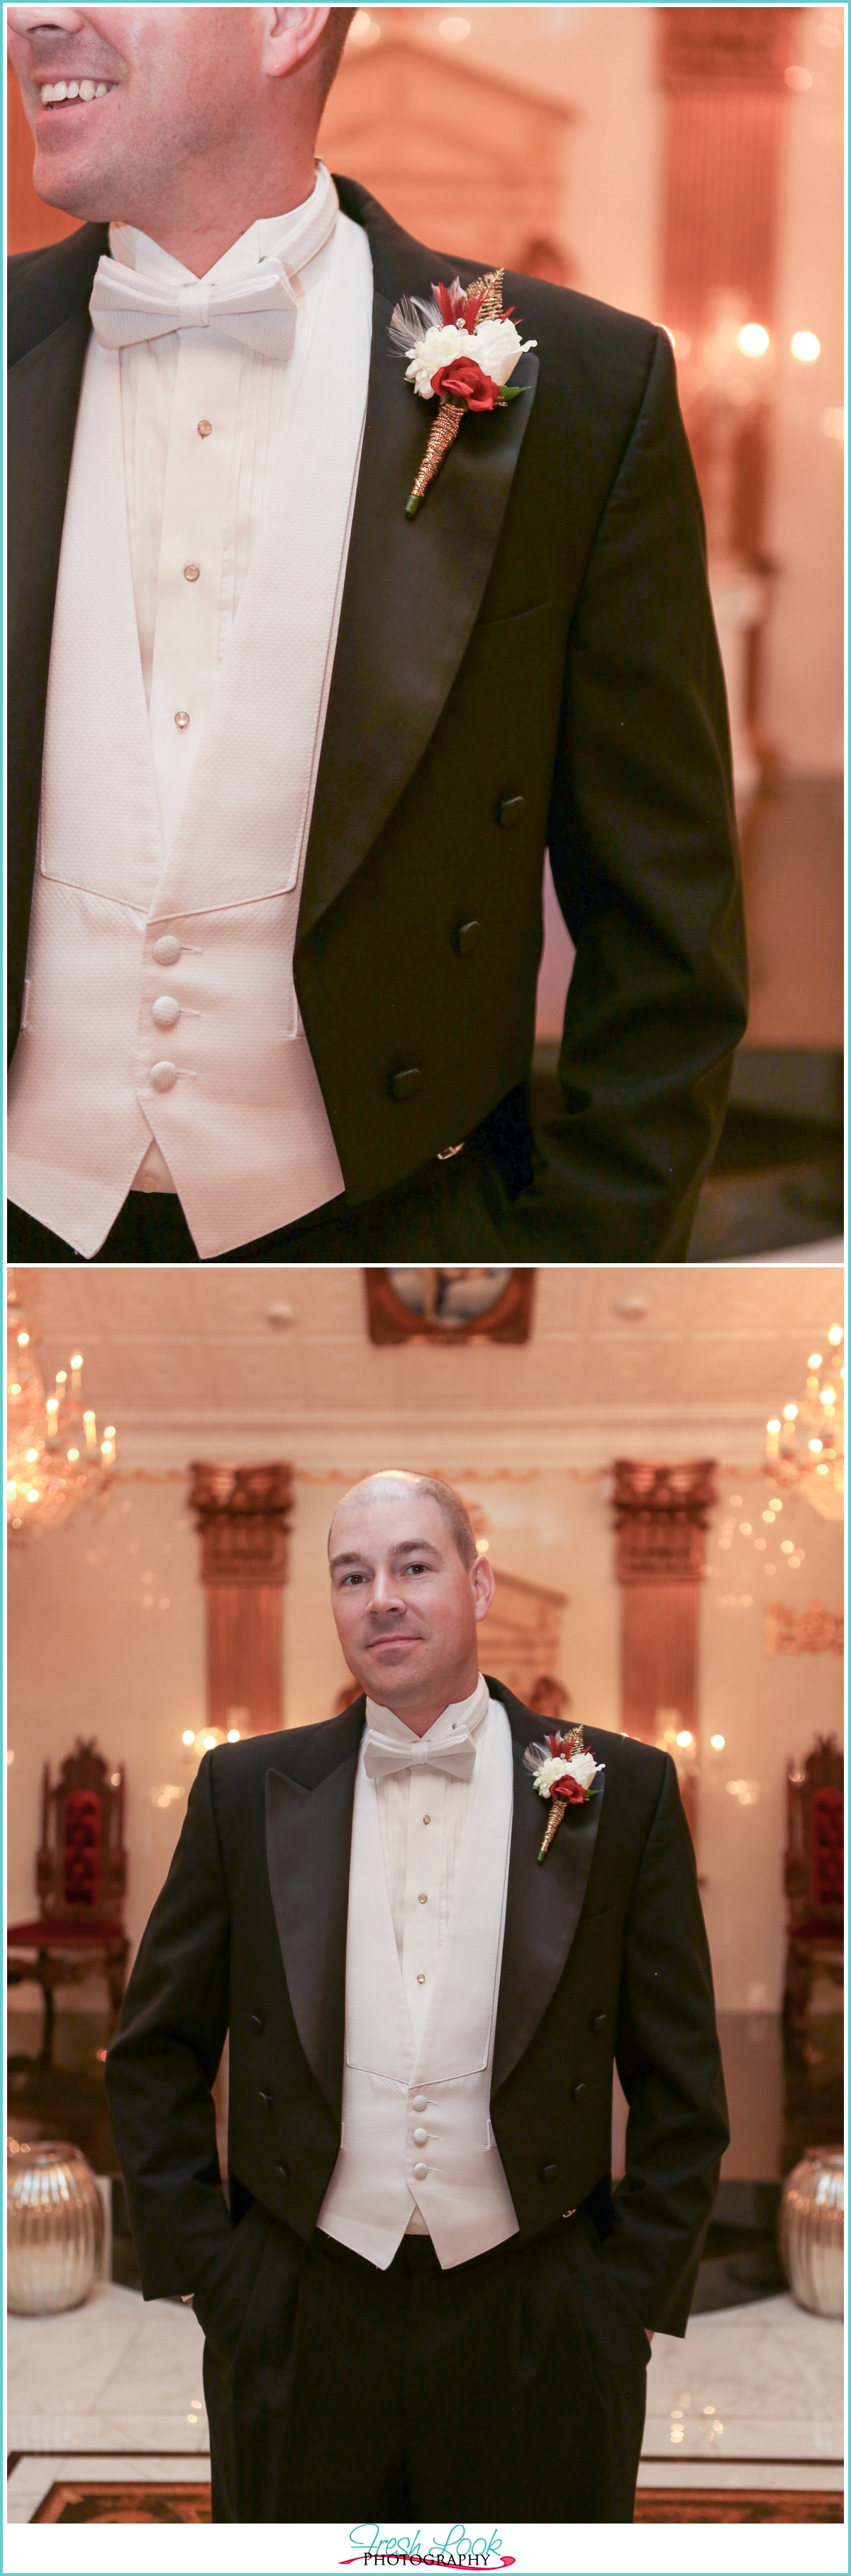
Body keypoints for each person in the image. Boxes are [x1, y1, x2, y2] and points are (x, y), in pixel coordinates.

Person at [7, 5, 747, 1268]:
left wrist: (562, 1293)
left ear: (288, 20)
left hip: (399, 1257)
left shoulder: (577, 391)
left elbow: (665, 941)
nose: (31, 15)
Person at [106, 1470, 729, 2525]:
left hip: (540, 2307)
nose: (381, 1596)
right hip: (301, 2307)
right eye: (353, 1575)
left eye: (414, 1565)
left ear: (478, 1586)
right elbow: (153, 2050)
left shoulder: (617, 1793)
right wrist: (221, 2280)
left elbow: (682, 2082)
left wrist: (621, 2302)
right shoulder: (243, 1791)